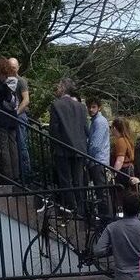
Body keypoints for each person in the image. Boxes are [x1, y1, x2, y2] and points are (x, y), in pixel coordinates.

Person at [49, 78, 89, 213]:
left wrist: (53, 146)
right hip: (80, 149)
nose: (57, 88)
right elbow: (85, 129)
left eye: (59, 85)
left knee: (66, 179)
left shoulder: (56, 105)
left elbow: (54, 129)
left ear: (63, 88)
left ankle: (71, 206)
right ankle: (81, 208)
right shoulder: (81, 107)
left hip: (63, 148)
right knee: (78, 180)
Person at [86, 97, 112, 216]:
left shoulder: (99, 121)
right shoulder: (95, 121)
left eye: (93, 107)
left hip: (98, 161)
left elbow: (95, 145)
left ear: (99, 107)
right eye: (89, 107)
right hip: (97, 161)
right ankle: (104, 216)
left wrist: (87, 157)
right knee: (101, 192)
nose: (91, 109)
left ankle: (106, 218)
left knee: (102, 193)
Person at [9, 58, 32, 180]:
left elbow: (26, 99)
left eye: (13, 67)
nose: (11, 69)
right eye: (9, 67)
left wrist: (16, 113)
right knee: (14, 147)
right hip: (10, 117)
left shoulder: (21, 81)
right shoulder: (6, 81)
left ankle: (26, 175)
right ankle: (17, 174)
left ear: (18, 68)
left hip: (19, 116)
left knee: (22, 145)